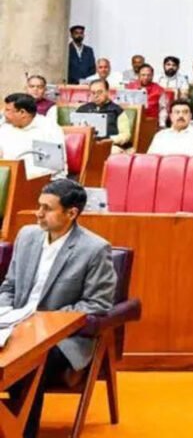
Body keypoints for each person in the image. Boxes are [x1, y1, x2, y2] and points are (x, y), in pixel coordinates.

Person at [1, 178, 116, 438]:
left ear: (71, 213)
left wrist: (43, 321)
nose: (38, 213)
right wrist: (5, 312)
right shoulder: (27, 236)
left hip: (61, 339)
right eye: (39, 205)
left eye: (47, 208)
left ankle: (22, 432)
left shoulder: (95, 249)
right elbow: (9, 287)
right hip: (14, 326)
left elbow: (97, 303)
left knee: (26, 365)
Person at [0, 93, 66, 179]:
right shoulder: (5, 127)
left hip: (46, 180)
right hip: (10, 178)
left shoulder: (48, 128)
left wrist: (22, 177)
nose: (4, 114)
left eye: (8, 110)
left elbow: (53, 166)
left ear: (22, 112)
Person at [76, 79, 134, 154]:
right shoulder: (82, 109)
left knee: (113, 151)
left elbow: (125, 135)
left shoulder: (117, 111)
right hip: (89, 144)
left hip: (111, 145)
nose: (96, 96)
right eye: (93, 93)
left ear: (107, 92)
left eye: (99, 92)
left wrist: (109, 140)